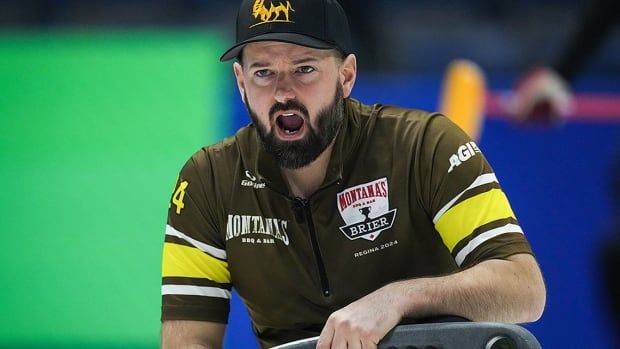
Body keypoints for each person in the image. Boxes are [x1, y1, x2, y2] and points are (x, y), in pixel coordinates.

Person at [160, 0, 546, 348]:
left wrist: (396, 300)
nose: (282, 93)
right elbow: (187, 342)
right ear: (242, 84)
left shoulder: (424, 145)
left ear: (346, 77)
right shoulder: (207, 180)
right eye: (263, 73)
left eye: (305, 69)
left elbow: (524, 289)